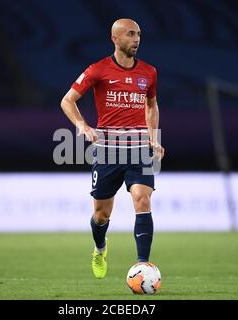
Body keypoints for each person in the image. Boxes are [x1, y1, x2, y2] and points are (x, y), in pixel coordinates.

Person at [60, 18, 164, 279]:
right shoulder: (98, 70)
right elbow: (67, 101)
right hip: (107, 150)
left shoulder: (149, 72)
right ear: (115, 39)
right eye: (130, 34)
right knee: (101, 214)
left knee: (142, 198)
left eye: (139, 34)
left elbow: (151, 105)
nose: (137, 39)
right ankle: (100, 247)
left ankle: (143, 265)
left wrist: (153, 137)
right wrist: (82, 125)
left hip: (139, 148)